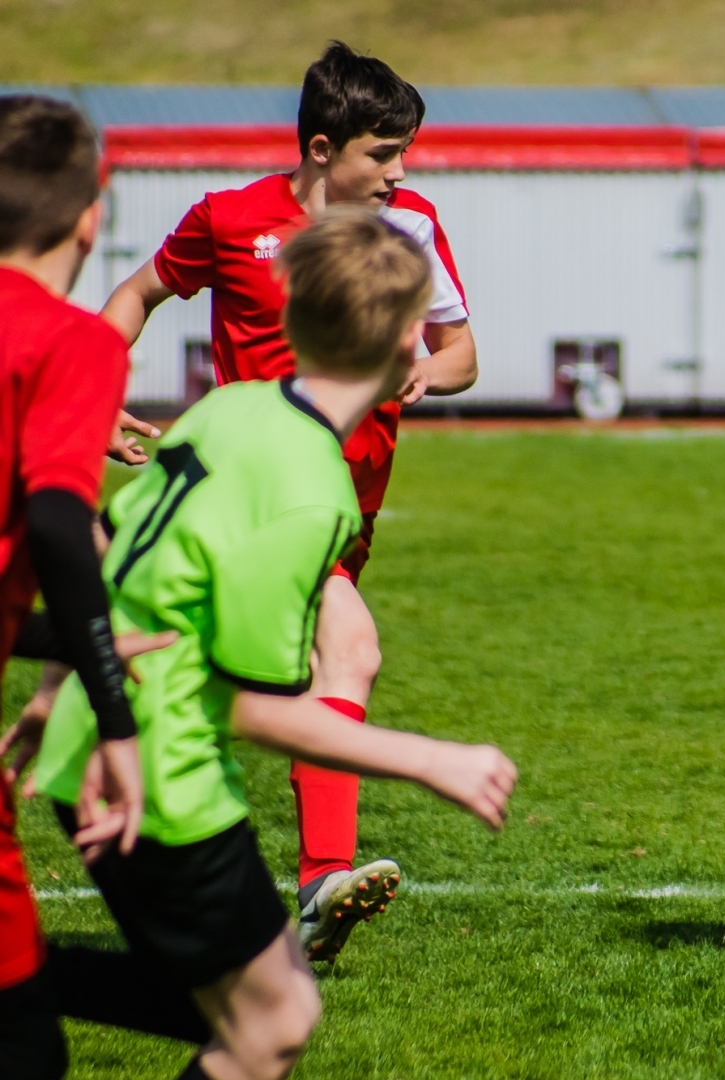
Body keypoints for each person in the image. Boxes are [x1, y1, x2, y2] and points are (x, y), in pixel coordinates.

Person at [29, 209, 516, 1080]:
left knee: (263, 1007)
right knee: (273, 1026)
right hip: (158, 774)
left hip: (96, 735)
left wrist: (53, 690)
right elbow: (252, 706)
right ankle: (18, 987)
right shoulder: (314, 491)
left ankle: (24, 986)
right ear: (412, 341)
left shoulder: (229, 406)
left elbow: (109, 548)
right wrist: (432, 760)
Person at [101, 40, 478, 962]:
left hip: (346, 506)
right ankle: (317, 878)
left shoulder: (415, 224)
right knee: (348, 649)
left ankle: (158, 818)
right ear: (320, 149)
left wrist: (431, 366)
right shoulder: (230, 221)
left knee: (261, 679)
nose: (399, 174)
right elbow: (137, 293)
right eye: (382, 154)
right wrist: (96, 395)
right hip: (257, 489)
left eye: (404, 153)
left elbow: (466, 352)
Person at [0, 93, 189, 1080]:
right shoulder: (68, 341)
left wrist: (65, 644)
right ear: (91, 212)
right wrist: (113, 717)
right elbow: (61, 530)